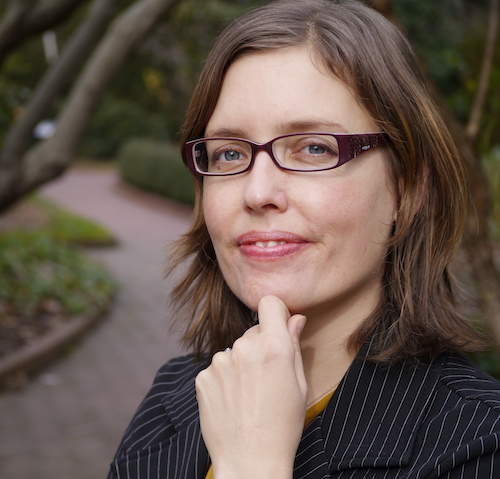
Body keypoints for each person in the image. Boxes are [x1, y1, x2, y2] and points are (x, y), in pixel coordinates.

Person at [107, 1, 500, 477]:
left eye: (314, 148)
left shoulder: (476, 443)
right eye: (230, 154)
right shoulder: (174, 399)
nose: (258, 192)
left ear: (407, 189)